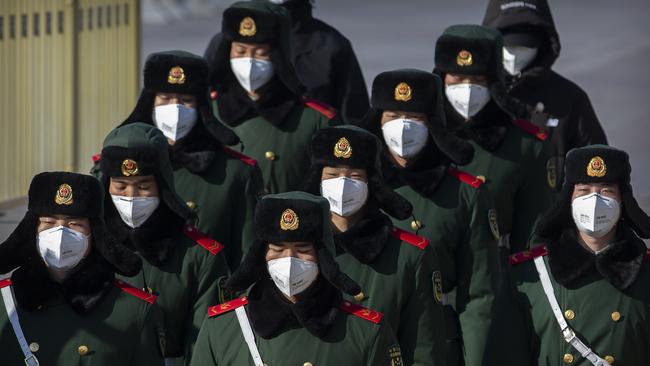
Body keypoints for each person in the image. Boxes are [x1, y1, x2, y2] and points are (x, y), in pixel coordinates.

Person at [357, 68, 500, 366]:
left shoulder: (465, 195)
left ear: (433, 123)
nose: (403, 127)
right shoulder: (354, 189)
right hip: (363, 345)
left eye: (415, 118)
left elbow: (480, 295)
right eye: (393, 116)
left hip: (436, 347)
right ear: (377, 121)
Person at [190, 191, 402, 366]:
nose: (289, 260)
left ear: (323, 256)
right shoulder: (223, 329)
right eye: (278, 248)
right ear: (261, 255)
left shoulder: (366, 333)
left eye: (302, 250)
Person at [485, 145, 650, 366]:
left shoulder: (645, 274)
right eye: (584, 190)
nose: (595, 201)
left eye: (606, 191)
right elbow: (504, 357)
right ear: (568, 199)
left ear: (622, 200)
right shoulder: (529, 276)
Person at [117, 50, 263, 268]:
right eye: (165, 99)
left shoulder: (236, 173)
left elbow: (247, 255)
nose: (175, 109)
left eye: (186, 101)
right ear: (149, 103)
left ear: (202, 107)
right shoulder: (113, 167)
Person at [0, 172, 164, 365]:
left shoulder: (134, 311)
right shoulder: (5, 303)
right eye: (49, 222)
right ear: (32, 230)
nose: (61, 234)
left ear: (94, 233)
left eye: (75, 224)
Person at [98, 122, 229, 365]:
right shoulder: (89, 248)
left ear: (163, 185)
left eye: (143, 186)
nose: (131, 197)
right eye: (120, 186)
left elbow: (204, 343)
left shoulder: (198, 257)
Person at [304, 125, 436, 364]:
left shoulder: (407, 255)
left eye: (354, 176)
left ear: (372, 182)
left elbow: (424, 347)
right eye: (332, 175)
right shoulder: (292, 252)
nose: (342, 185)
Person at [434, 24, 552, 254]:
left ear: (495, 83)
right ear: (440, 78)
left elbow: (535, 236)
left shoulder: (527, 146)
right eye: (457, 78)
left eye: (477, 80)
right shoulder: (419, 137)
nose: (467, 89)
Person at [205, 1, 342, 194]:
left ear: (279, 57)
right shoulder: (208, 112)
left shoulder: (315, 120)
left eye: (260, 53)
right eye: (241, 52)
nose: (249, 62)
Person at [482, 0, 608, 192]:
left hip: (549, 216)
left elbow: (598, 169)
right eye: (508, 47)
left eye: (524, 47)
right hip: (485, 216)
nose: (514, 56)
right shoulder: (472, 96)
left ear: (542, 43)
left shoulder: (569, 98)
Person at [205, 0, 369, 124]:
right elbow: (202, 105)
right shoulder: (226, 43)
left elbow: (353, 120)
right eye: (241, 51)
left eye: (261, 53)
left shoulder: (329, 47)